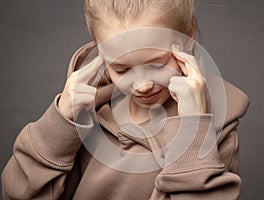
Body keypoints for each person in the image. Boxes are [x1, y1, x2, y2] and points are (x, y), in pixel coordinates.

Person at [1, 0, 250, 199]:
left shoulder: (217, 123)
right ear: (99, 49)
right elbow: (17, 193)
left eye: (157, 64)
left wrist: (192, 132)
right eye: (121, 69)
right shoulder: (87, 110)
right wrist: (59, 124)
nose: (143, 85)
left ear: (188, 34)